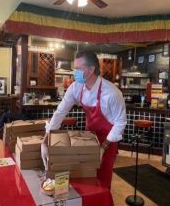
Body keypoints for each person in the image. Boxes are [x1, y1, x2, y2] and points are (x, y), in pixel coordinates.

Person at [41, 51, 127, 188]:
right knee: (87, 175)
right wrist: (45, 141)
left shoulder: (111, 93)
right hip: (89, 138)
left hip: (108, 140)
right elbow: (60, 112)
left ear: (91, 69)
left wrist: (103, 147)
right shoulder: (76, 87)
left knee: (103, 178)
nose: (75, 72)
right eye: (74, 68)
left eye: (78, 69)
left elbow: (121, 122)